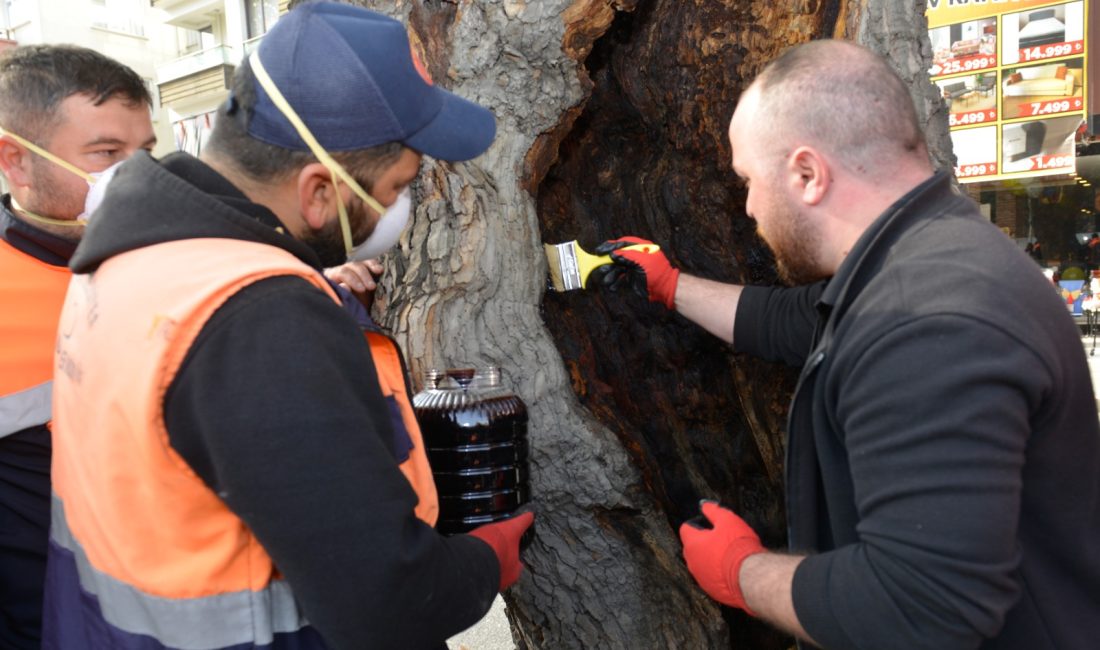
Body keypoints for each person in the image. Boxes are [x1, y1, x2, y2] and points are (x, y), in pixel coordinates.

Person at [46, 4, 532, 649]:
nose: (397, 210)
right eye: (396, 187)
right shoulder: (259, 317)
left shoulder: (135, 256)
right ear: (318, 192)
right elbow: (388, 600)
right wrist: (483, 561)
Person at [594, 40, 1100, 648]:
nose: (750, 207)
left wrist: (743, 573)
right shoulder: (924, 257)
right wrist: (671, 286)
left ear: (808, 174)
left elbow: (921, 607)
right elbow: (795, 319)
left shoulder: (925, 320)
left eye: (749, 182)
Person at [0, 44, 155, 649]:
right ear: (16, 161)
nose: (137, 175)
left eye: (145, 153)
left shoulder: (177, 265)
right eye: (107, 153)